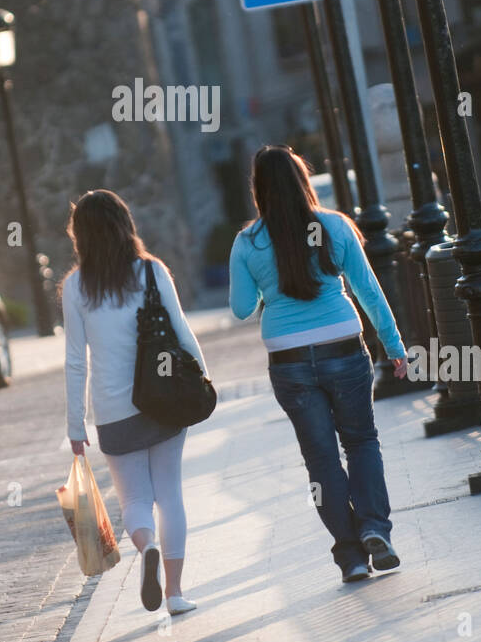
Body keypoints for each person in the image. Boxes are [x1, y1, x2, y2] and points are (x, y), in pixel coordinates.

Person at [229, 145, 408, 585]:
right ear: (301, 179)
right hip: (343, 347)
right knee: (362, 442)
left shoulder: (248, 241)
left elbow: (238, 307)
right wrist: (394, 344)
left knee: (321, 460)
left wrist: (265, 286)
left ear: (258, 189)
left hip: (288, 359)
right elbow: (368, 290)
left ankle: (349, 557)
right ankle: (373, 529)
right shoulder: (334, 226)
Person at [62, 189, 207, 616]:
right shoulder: (151, 272)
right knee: (171, 495)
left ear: (81, 237)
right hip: (164, 401)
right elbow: (181, 332)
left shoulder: (75, 287)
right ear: (127, 225)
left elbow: (75, 362)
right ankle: (175, 594)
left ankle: (148, 549)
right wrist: (203, 379)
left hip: (112, 413)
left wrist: (75, 426)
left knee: (134, 502)